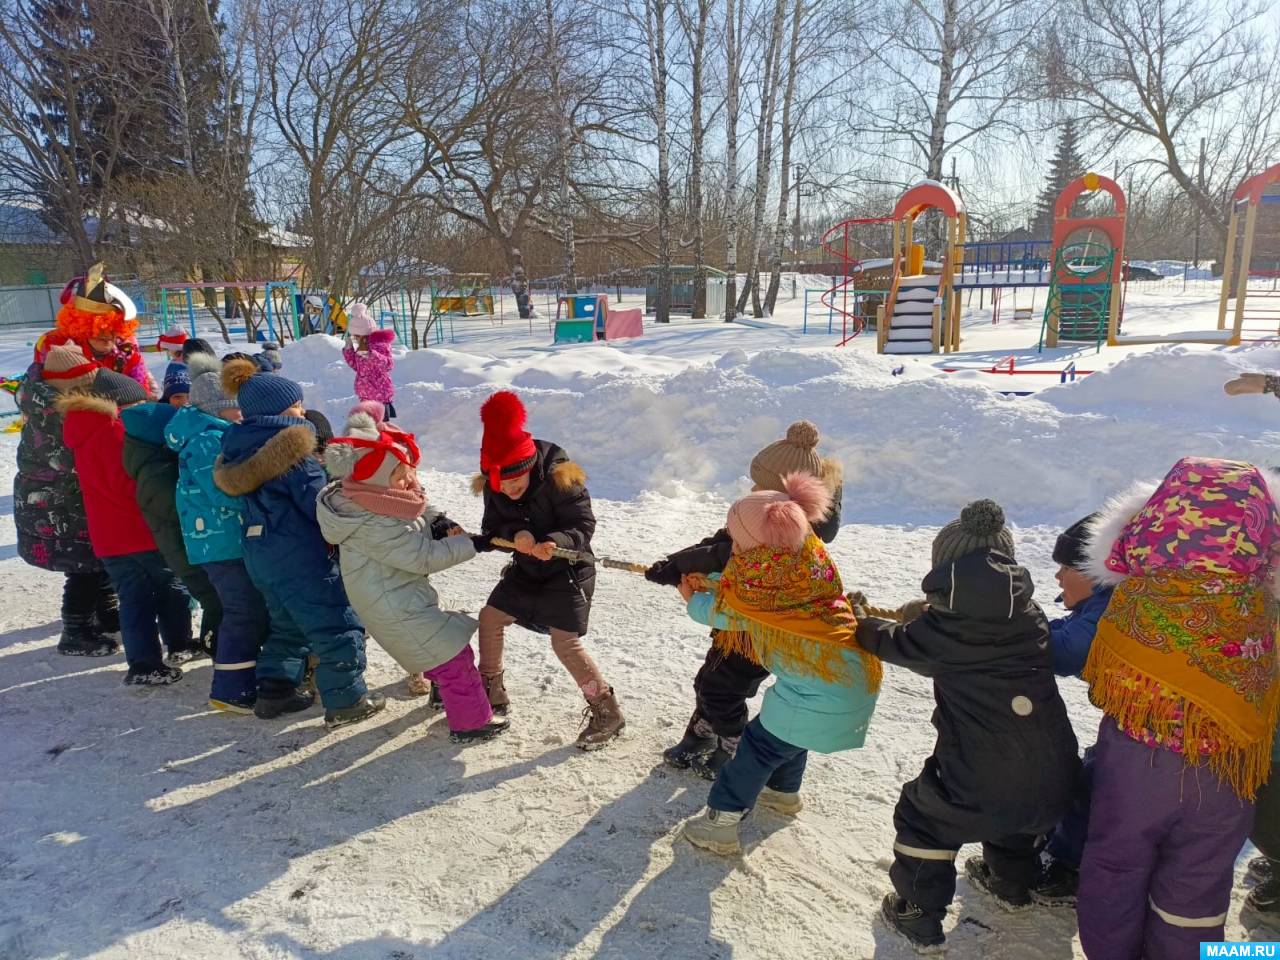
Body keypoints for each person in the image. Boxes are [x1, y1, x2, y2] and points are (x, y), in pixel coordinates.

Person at [1076, 457, 1280, 960]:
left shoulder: (1137, 596)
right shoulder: (1262, 607)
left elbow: (1103, 682)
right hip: (1228, 771)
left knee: (1116, 866)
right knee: (1200, 880)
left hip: (1136, 765)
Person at [859, 500, 1079, 952]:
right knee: (1017, 810)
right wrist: (927, 613)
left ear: (945, 571)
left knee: (924, 816)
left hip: (980, 776)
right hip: (1055, 773)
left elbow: (890, 641)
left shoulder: (942, 633)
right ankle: (1011, 882)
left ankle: (918, 912)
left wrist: (862, 622)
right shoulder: (1031, 616)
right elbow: (971, 626)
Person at [677, 472, 880, 855]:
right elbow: (748, 591)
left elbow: (730, 614)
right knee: (792, 737)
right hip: (849, 680)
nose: (734, 544)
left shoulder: (764, 584)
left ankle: (720, 825)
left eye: (737, 538)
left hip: (817, 692)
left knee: (756, 750)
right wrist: (715, 581)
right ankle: (782, 794)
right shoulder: (805, 556)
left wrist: (692, 599)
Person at [650, 421, 845, 779]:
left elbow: (723, 553)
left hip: (761, 631)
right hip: (737, 623)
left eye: (761, 486)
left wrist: (682, 571)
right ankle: (703, 732)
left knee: (723, 687)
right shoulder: (765, 514)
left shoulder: (787, 538)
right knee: (711, 679)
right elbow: (721, 540)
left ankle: (734, 744)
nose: (753, 490)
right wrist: (676, 562)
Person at [317, 410, 508, 743]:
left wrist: (439, 522)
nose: (410, 483)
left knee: (439, 648)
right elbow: (422, 557)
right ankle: (471, 723)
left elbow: (414, 504)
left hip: (395, 597)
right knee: (454, 656)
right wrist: (474, 545)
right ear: (378, 480)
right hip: (393, 607)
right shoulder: (372, 524)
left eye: (410, 474)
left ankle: (444, 694)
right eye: (401, 477)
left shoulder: (370, 498)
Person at [213, 358, 382, 728]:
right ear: (276, 413)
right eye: (296, 406)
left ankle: (275, 692)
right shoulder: (291, 454)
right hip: (300, 558)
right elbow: (319, 505)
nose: (303, 412)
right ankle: (347, 701)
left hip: (261, 556)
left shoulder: (239, 450)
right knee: (337, 624)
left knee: (287, 625)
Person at [472, 389, 624, 749]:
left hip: (568, 570)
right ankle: (490, 691)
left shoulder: (561, 478)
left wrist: (555, 542)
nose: (509, 490)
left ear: (528, 467)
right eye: (501, 485)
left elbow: (583, 525)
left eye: (516, 482)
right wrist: (517, 534)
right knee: (490, 617)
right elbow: (492, 529)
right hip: (526, 568)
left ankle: (607, 711)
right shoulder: (496, 486)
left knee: (564, 641)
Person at [58, 369, 193, 684]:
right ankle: (180, 643)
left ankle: (143, 665)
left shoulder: (83, 431)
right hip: (140, 529)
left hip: (108, 537)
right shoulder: (118, 432)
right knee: (171, 586)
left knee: (133, 598)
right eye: (139, 405)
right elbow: (134, 485)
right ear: (122, 405)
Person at [166, 359, 266, 714]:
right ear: (217, 407)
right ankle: (231, 688)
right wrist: (259, 498)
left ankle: (245, 677)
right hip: (219, 542)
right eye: (235, 406)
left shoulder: (211, 433)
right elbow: (224, 491)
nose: (242, 413)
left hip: (222, 540)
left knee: (245, 608)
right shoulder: (208, 440)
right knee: (242, 610)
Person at [1031, 511, 1115, 907]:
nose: (1058, 576)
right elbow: (1062, 630)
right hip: (1136, 721)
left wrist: (998, 628)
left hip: (1154, 731)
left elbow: (1064, 651)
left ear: (1095, 572)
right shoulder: (1099, 603)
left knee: (1092, 782)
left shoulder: (1109, 608)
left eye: (1066, 567)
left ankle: (1067, 864)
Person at [14, 342, 119, 656]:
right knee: (82, 567)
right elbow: (68, 459)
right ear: (69, 386)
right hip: (57, 505)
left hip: (70, 499)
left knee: (98, 560)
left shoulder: (56, 406)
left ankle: (106, 613)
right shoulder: (51, 415)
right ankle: (75, 632)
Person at [119, 367, 224, 662]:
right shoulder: (157, 473)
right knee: (216, 600)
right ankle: (221, 652)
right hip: (186, 552)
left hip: (187, 550)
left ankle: (218, 647)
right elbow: (180, 509)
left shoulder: (152, 463)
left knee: (217, 600)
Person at [34, 265, 157, 398]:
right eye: (98, 329)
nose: (107, 335)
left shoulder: (127, 348)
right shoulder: (54, 345)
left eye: (113, 328)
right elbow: (37, 389)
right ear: (81, 327)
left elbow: (143, 388)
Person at [343, 303, 397, 421]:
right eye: (353, 335)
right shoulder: (358, 344)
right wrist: (348, 350)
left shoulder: (379, 345)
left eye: (356, 336)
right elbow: (356, 366)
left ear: (365, 334)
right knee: (368, 426)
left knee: (380, 425)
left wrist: (371, 355)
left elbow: (388, 365)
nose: (354, 338)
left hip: (379, 394)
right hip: (365, 395)